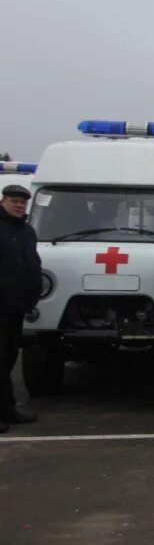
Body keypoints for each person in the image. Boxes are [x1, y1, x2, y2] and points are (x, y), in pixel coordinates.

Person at [0, 184, 41, 433]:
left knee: (7, 361)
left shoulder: (26, 231)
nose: (19, 206)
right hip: (1, 304)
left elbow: (31, 265)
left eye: (22, 202)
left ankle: (7, 410)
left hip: (17, 306)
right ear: (3, 201)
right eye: (14, 201)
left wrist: (31, 298)